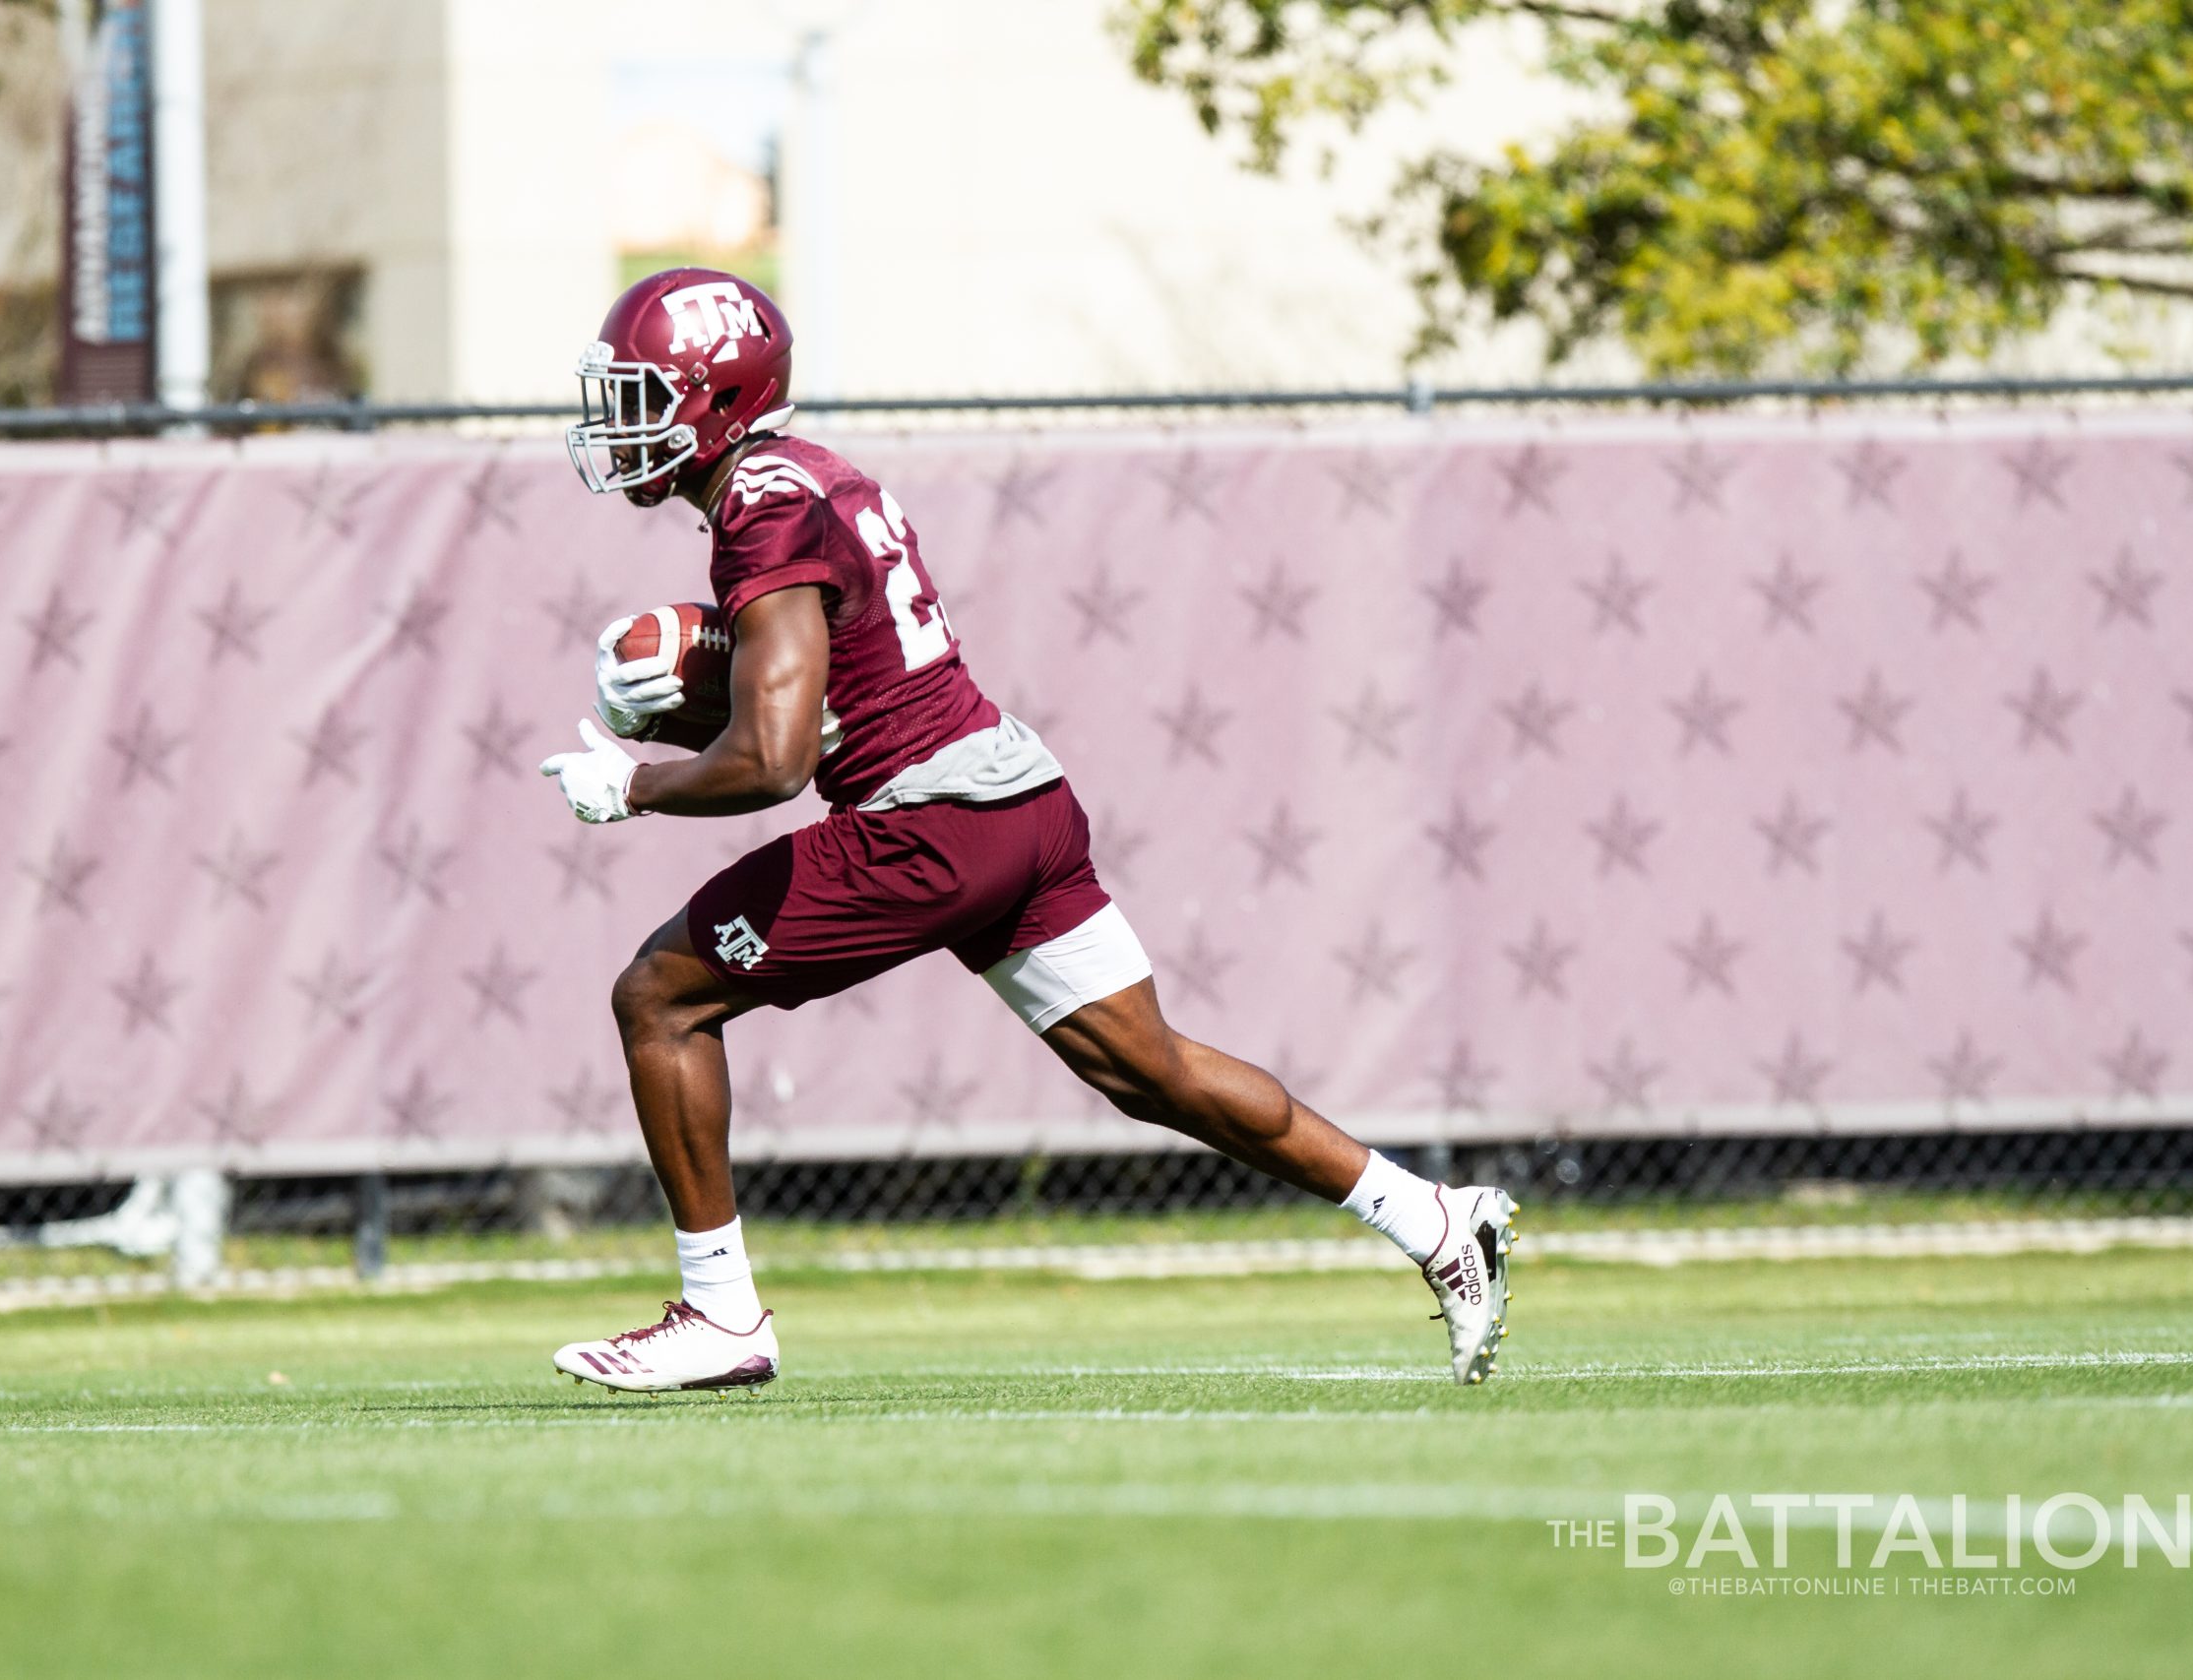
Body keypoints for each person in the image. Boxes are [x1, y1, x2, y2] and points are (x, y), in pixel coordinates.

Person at [537, 269, 1515, 1393]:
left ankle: (720, 1317)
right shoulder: (808, 477)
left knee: (660, 997)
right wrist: (699, 669)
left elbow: (777, 758)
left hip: (929, 822)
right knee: (1151, 1070)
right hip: (1016, 802)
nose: (621, 427)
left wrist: (637, 784)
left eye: (645, 398)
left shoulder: (762, 501)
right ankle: (1437, 1220)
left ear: (716, 399)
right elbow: (832, 679)